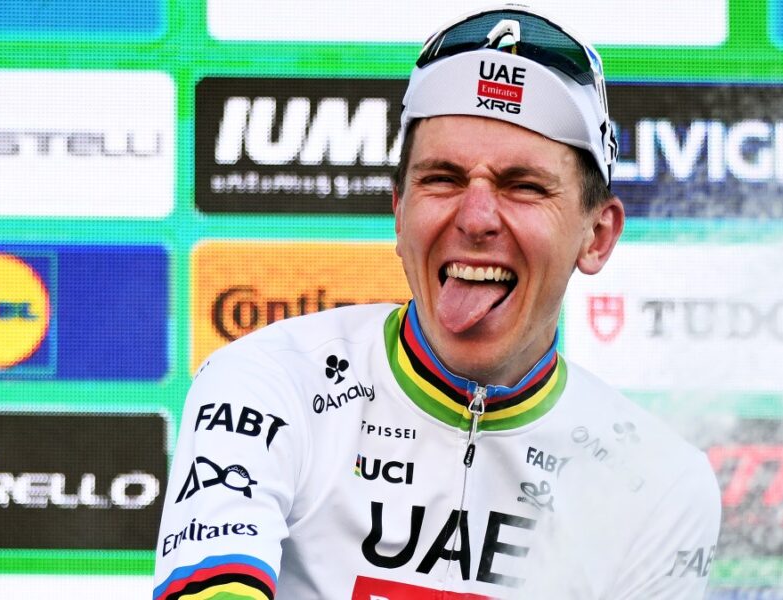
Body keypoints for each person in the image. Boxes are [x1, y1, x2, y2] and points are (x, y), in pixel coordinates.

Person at [153, 5, 721, 599]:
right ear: (399, 213)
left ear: (596, 236)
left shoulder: (660, 485)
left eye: (523, 186)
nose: (475, 219)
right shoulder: (269, 384)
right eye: (442, 179)